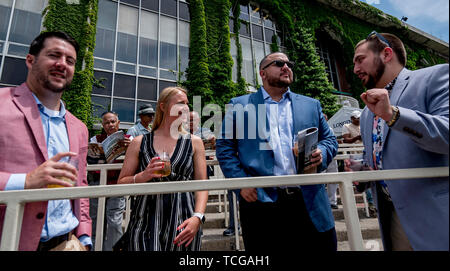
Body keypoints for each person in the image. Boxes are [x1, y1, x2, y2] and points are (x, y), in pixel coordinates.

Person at [216, 52, 338, 251]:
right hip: (260, 202)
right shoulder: (239, 104)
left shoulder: (311, 105)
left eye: (289, 63)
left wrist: (322, 152)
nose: (286, 67)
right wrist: (241, 183)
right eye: (279, 63)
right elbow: (225, 147)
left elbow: (330, 139)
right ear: (262, 73)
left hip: (309, 200)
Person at [350, 31, 448, 250]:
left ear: (386, 54)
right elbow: (380, 155)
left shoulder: (434, 77)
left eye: (360, 59)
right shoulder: (366, 112)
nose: (355, 69)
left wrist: (394, 115)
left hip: (437, 218)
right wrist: (363, 169)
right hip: (393, 218)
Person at [0, 31, 92, 251]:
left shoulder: (79, 127)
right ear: (30, 60)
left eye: (70, 61)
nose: (62, 64)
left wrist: (85, 237)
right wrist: (25, 182)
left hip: (66, 242)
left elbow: (81, 184)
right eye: (54, 55)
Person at [116, 87, 209, 251]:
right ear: (163, 106)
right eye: (181, 103)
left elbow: (202, 184)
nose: (186, 108)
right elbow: (121, 182)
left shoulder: (194, 142)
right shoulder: (139, 142)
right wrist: (143, 175)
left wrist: (198, 217)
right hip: (145, 218)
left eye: (187, 104)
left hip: (184, 218)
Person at [89, 111, 131, 251]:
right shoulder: (96, 139)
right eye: (107, 122)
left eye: (113, 121)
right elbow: (89, 158)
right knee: (95, 219)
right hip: (97, 182)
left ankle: (113, 249)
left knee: (114, 221)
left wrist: (129, 148)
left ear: (118, 123)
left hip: (116, 183)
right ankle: (95, 248)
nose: (110, 125)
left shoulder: (129, 139)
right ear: (103, 125)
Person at [343, 110, 377, 217]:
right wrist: (357, 138)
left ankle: (374, 204)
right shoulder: (347, 126)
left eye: (359, 117)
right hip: (355, 156)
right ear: (352, 118)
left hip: (367, 153)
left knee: (372, 178)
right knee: (364, 180)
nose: (358, 119)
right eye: (356, 118)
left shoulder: (365, 123)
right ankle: (371, 204)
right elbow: (346, 140)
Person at [323, 114, 339, 210]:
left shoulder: (330, 129)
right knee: (320, 181)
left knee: (333, 179)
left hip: (331, 157)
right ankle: (323, 201)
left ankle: (332, 201)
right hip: (320, 157)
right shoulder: (314, 129)